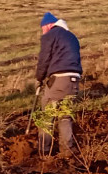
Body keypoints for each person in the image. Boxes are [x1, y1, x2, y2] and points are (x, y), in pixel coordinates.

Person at [35, 11, 81, 155]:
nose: (43, 32)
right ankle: (67, 150)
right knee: (65, 116)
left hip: (59, 81)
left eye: (43, 28)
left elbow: (44, 58)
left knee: (46, 116)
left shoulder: (50, 35)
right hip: (73, 81)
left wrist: (39, 78)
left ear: (48, 25)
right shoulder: (72, 37)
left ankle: (44, 151)